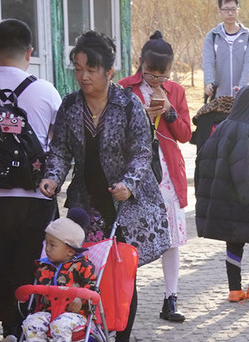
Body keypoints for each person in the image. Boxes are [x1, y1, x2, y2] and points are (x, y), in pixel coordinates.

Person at [41, 30, 171, 303]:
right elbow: (61, 149)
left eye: (91, 69)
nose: (84, 76)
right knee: (84, 270)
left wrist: (129, 184)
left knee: (122, 272)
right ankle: (90, 331)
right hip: (86, 200)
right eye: (78, 69)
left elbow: (142, 151)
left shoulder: (126, 104)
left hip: (123, 202)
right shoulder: (70, 105)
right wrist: (52, 178)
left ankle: (122, 340)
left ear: (109, 71)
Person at [0, 18, 59, 342]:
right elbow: (58, 146)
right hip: (37, 194)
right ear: (29, 51)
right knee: (32, 259)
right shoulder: (46, 90)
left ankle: (9, 326)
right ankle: (32, 321)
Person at [121, 32, 192, 322]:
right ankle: (124, 300)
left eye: (163, 76)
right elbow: (117, 131)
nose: (156, 81)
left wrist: (170, 112)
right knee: (130, 237)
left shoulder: (175, 91)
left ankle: (170, 298)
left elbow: (186, 134)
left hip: (167, 171)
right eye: (151, 74)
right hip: (135, 173)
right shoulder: (125, 88)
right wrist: (144, 118)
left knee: (171, 238)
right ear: (141, 65)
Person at [195, 82, 249, 301]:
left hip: (225, 196)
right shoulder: (247, 130)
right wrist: (248, 199)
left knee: (234, 239)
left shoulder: (225, 125)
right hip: (246, 196)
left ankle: (234, 289)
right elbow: (240, 166)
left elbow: (203, 157)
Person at [19, 217, 97, 342]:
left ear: (69, 250)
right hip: (50, 312)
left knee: (59, 325)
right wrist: (42, 294)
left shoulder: (83, 267)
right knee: (31, 322)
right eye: (46, 243)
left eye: (52, 245)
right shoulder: (44, 267)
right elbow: (40, 287)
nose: (47, 248)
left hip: (75, 316)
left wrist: (81, 299)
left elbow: (94, 292)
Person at [202, 0, 249, 105]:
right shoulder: (212, 36)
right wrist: (209, 82)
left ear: (238, 10)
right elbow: (208, 62)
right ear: (219, 11)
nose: (230, 13)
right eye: (226, 10)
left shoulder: (248, 36)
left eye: (233, 9)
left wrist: (242, 87)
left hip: (242, 96)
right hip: (218, 97)